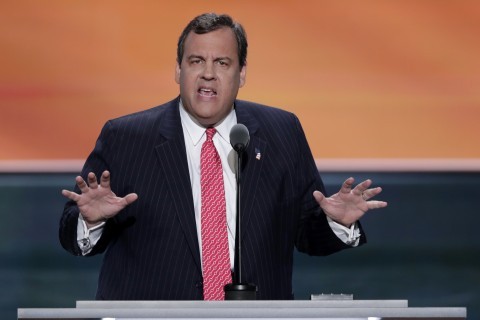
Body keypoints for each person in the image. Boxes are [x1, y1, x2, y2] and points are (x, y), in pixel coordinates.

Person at [59, 13, 387, 300]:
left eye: (222, 63)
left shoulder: (281, 131)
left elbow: (306, 235)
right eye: (196, 61)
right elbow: (73, 237)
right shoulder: (126, 138)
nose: (208, 74)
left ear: (242, 73)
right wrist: (91, 220)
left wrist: (336, 222)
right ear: (178, 70)